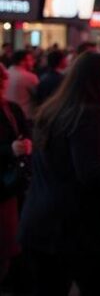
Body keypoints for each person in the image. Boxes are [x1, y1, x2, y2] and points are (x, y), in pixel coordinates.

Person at [18, 52, 100, 296]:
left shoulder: (57, 111)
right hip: (80, 231)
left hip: (45, 225)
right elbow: (94, 173)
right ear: (93, 80)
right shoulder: (91, 115)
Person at [0, 64, 32, 285]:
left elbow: (25, 133)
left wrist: (27, 144)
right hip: (5, 186)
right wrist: (9, 149)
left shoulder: (11, 109)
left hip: (13, 185)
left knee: (11, 243)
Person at [6, 50, 39, 119]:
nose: (33, 62)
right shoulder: (29, 77)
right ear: (22, 62)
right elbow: (39, 95)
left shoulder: (6, 73)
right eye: (30, 60)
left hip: (8, 116)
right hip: (25, 116)